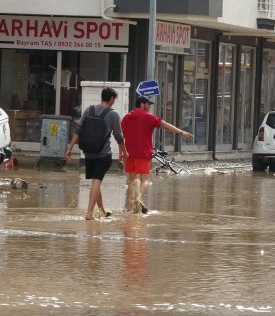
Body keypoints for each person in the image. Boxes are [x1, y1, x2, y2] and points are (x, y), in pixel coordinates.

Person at [121, 96, 194, 214]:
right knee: (145, 179)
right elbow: (165, 125)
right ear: (142, 104)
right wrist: (181, 132)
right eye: (148, 104)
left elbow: (122, 135)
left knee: (132, 180)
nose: (149, 107)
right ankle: (138, 199)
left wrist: (122, 151)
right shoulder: (148, 117)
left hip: (129, 153)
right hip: (143, 153)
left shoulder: (126, 118)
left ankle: (129, 206)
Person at [65, 87, 127, 220]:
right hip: (103, 155)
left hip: (88, 153)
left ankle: (102, 211)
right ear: (111, 99)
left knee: (95, 181)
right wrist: (124, 152)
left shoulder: (89, 110)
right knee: (97, 182)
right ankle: (89, 213)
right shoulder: (113, 114)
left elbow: (78, 130)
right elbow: (119, 137)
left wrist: (69, 148)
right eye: (114, 99)